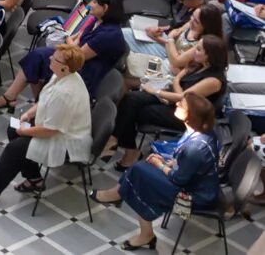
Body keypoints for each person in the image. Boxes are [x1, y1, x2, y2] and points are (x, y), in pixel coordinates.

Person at [0, 44, 93, 204]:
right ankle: (34, 179)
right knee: (13, 128)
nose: (50, 58)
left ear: (65, 68)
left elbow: (50, 130)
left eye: (55, 58)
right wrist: (28, 114)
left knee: (15, 148)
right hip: (54, 129)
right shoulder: (61, 75)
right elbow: (45, 99)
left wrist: (24, 132)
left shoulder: (65, 93)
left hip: (65, 142)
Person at [92, 93, 222, 251]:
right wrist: (169, 162)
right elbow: (188, 165)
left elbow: (179, 179)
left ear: (190, 115)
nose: (177, 104)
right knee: (140, 169)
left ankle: (141, 227)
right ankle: (121, 197)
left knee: (141, 173)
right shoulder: (202, 132)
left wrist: (160, 164)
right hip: (193, 181)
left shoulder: (195, 148)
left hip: (194, 195)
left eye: (182, 105)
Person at [105, 35, 228, 171]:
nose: (194, 51)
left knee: (135, 111)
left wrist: (156, 92)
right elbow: (179, 82)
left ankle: (124, 147)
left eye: (198, 49)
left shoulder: (214, 81)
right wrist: (175, 87)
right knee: (130, 99)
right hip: (174, 101)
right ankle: (119, 141)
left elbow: (183, 97)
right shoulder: (199, 64)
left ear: (209, 56)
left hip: (187, 116)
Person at [0, 0, 127, 110]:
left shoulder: (109, 35)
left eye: (95, 2)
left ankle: (37, 104)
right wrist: (71, 41)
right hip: (75, 56)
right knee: (36, 57)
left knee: (41, 60)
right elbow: (77, 39)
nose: (90, 4)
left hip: (84, 70)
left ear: (105, 8)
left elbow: (78, 55)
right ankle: (15, 98)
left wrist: (67, 38)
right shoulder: (96, 19)